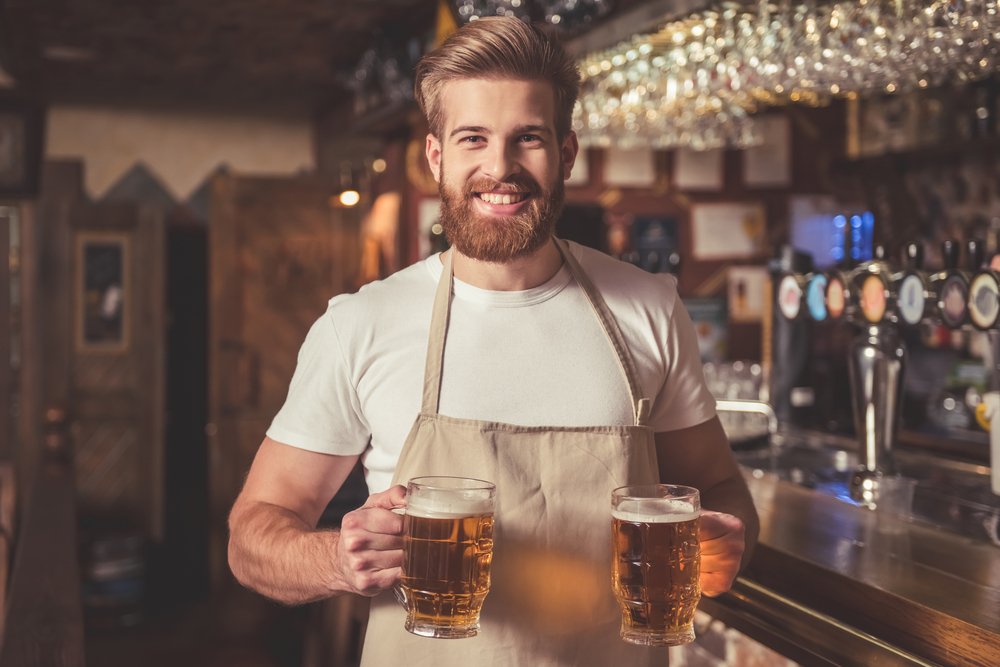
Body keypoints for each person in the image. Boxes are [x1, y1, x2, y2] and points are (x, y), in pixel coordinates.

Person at [228, 16, 759, 667]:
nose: (499, 167)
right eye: (473, 138)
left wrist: (732, 542)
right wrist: (337, 557)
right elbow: (252, 535)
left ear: (566, 153)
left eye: (527, 138)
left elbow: (720, 489)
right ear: (436, 157)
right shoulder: (361, 324)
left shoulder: (650, 306)